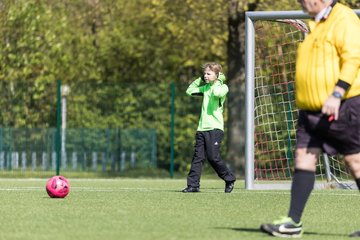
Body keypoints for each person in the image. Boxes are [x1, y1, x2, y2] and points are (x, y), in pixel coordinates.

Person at [260, 0, 360, 238]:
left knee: (355, 162)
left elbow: (354, 58)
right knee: (303, 158)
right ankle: (293, 222)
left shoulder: (343, 18)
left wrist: (336, 94)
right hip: (310, 111)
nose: (302, 1)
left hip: (342, 106)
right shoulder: (315, 24)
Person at [182, 62, 236, 193]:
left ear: (217, 75)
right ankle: (193, 185)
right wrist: (201, 80)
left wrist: (218, 80)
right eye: (204, 73)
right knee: (198, 157)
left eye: (208, 74)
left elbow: (217, 93)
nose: (205, 76)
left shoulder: (223, 87)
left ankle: (229, 178)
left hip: (215, 129)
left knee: (213, 157)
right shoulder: (205, 88)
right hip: (201, 129)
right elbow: (189, 91)